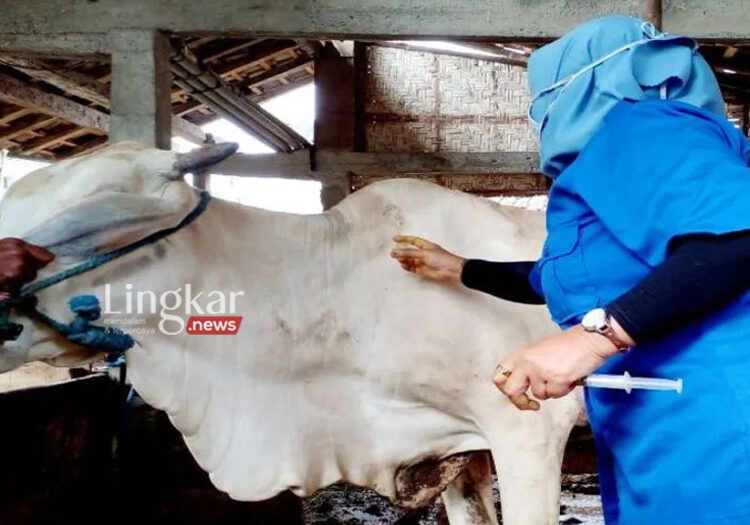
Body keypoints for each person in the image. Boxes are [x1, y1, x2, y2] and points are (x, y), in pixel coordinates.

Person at [392, 15, 750, 525]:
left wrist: (591, 341)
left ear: (588, 83)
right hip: (662, 425)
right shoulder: (609, 165)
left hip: (719, 426)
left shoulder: (640, 126)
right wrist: (460, 268)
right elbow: (557, 279)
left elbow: (738, 237)